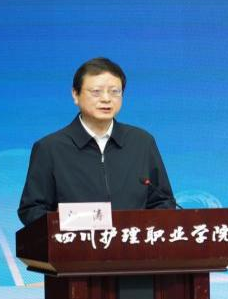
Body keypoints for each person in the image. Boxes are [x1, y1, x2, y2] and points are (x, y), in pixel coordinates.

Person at [18, 57, 176, 226]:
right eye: (96, 92)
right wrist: (66, 222)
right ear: (75, 94)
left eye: (115, 91)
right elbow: (31, 210)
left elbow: (163, 202)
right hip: (75, 242)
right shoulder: (50, 148)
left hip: (132, 241)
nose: (106, 99)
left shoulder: (142, 142)